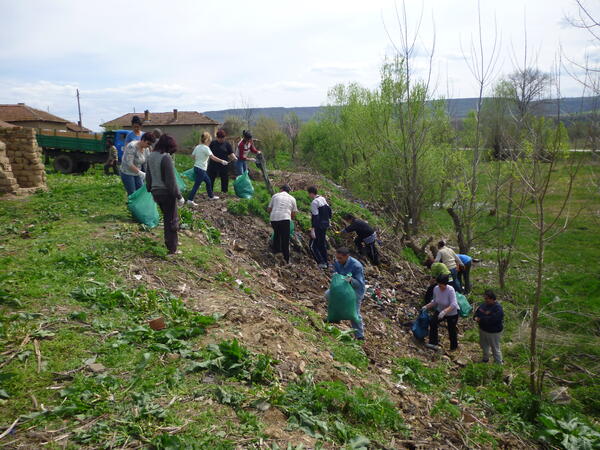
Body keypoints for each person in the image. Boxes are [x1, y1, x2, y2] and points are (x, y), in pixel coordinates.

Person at [146, 134, 184, 255]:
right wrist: (179, 196)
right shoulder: (165, 158)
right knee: (172, 220)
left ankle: (171, 241)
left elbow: (148, 175)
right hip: (166, 193)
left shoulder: (151, 156)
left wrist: (149, 188)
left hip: (155, 192)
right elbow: (170, 181)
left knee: (167, 218)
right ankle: (172, 249)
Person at [326, 247, 365, 340]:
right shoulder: (337, 263)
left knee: (354, 312)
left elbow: (360, 284)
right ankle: (335, 317)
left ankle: (360, 336)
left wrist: (351, 280)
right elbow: (335, 271)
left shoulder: (356, 266)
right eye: (337, 258)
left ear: (347, 256)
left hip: (355, 290)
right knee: (328, 294)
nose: (338, 260)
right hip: (342, 288)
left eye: (340, 258)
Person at [187, 132, 228, 206]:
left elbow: (192, 156)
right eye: (210, 141)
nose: (210, 142)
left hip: (196, 167)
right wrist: (222, 161)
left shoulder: (198, 147)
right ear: (207, 140)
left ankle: (211, 196)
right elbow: (213, 157)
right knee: (197, 185)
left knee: (208, 182)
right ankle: (190, 200)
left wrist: (199, 158)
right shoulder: (206, 148)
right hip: (201, 169)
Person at [423, 274, 460, 351]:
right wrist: (427, 306)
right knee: (433, 322)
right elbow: (435, 301)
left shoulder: (450, 290)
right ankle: (433, 342)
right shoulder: (436, 289)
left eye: (441, 285)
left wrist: (445, 311)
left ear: (445, 284)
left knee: (451, 329)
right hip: (440, 310)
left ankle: (453, 347)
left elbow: (454, 304)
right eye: (438, 284)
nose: (440, 286)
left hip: (451, 313)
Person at [267, 184, 298, 264]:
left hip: (274, 219)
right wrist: (290, 218)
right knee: (285, 238)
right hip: (285, 219)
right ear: (288, 191)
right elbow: (294, 213)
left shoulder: (275, 196)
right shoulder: (292, 198)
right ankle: (286, 259)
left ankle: (276, 252)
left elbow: (269, 209)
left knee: (277, 234)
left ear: (281, 189)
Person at [474, 290, 504, 364]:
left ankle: (498, 363)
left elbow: (493, 320)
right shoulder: (483, 305)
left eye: (487, 298)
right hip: (483, 330)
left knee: (495, 348)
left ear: (492, 299)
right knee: (484, 345)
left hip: (493, 332)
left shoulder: (498, 308)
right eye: (485, 298)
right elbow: (477, 313)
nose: (486, 300)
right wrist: (475, 317)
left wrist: (481, 319)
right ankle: (485, 359)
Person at [308, 186, 332, 269]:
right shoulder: (322, 199)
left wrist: (313, 229)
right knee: (322, 244)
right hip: (325, 225)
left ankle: (321, 262)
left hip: (318, 226)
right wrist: (328, 220)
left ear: (311, 193)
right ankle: (326, 262)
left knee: (312, 246)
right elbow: (329, 211)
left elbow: (315, 217)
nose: (308, 196)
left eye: (309, 194)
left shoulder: (314, 202)